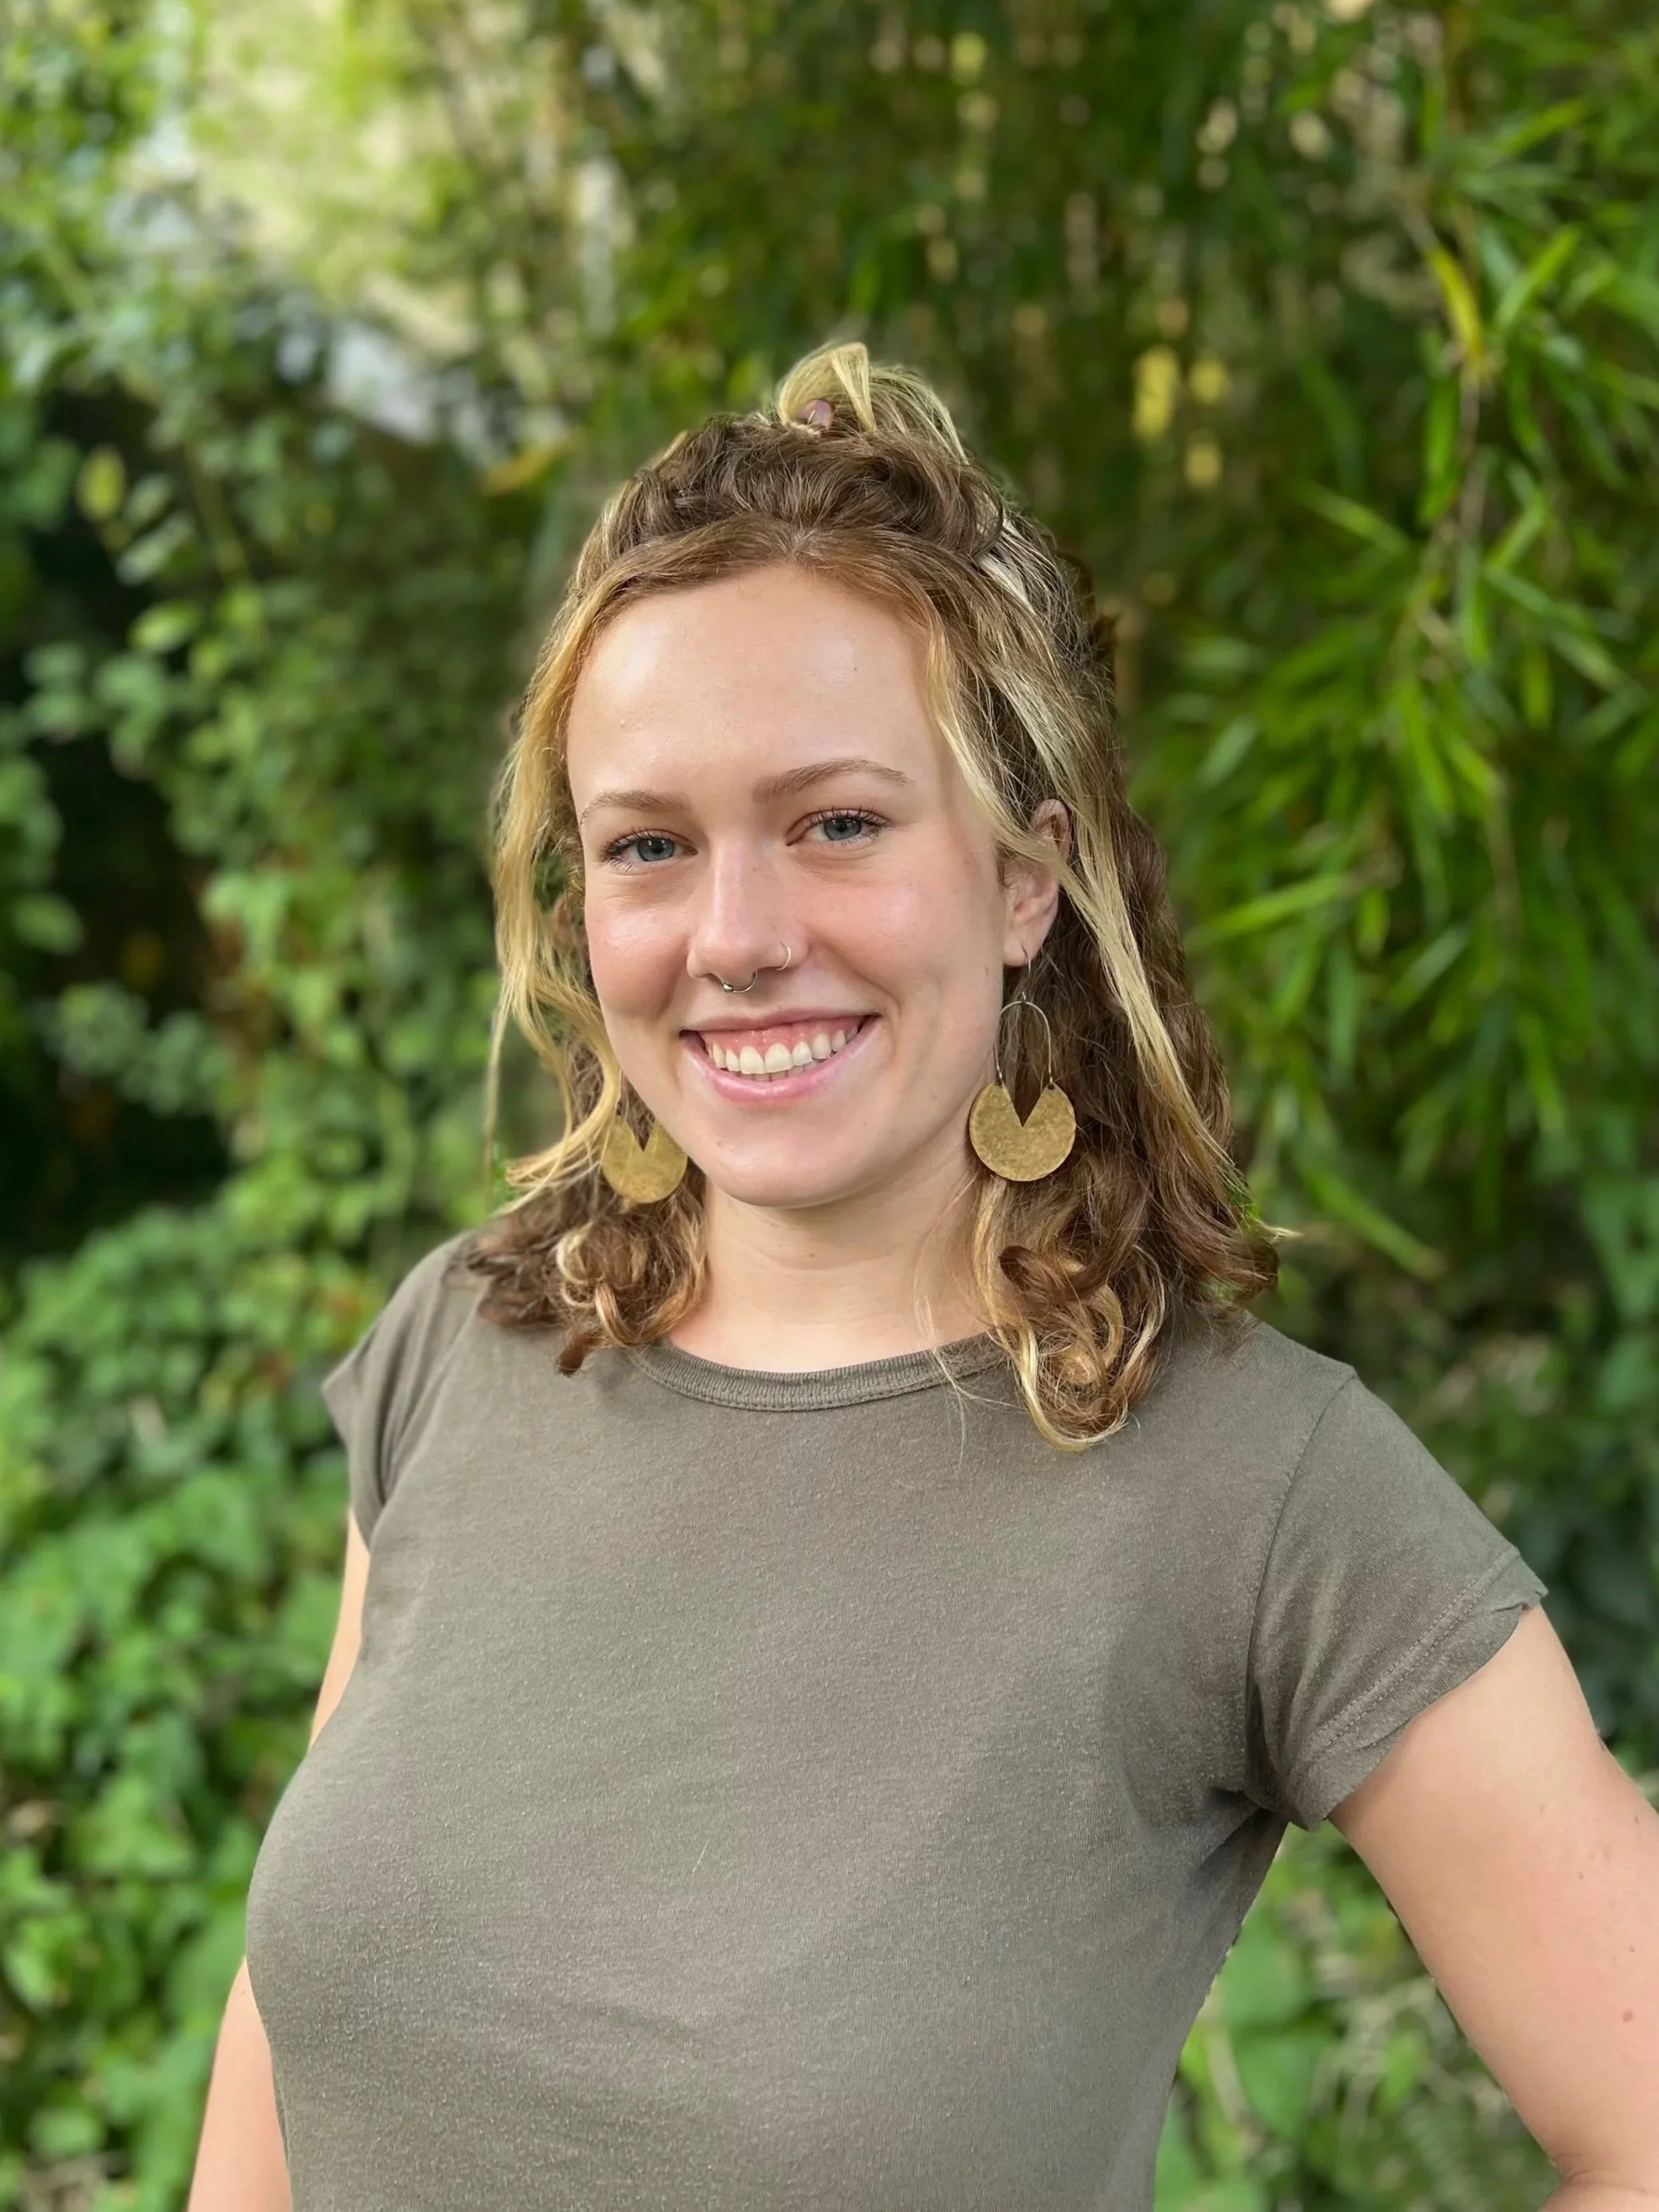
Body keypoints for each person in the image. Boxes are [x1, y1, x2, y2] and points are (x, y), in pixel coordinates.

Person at [189, 345, 1659, 2212]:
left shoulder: (1254, 1491)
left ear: (1025, 878)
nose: (736, 938)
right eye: (649, 846)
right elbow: (284, 2036)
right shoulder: (471, 1343)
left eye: (837, 824)